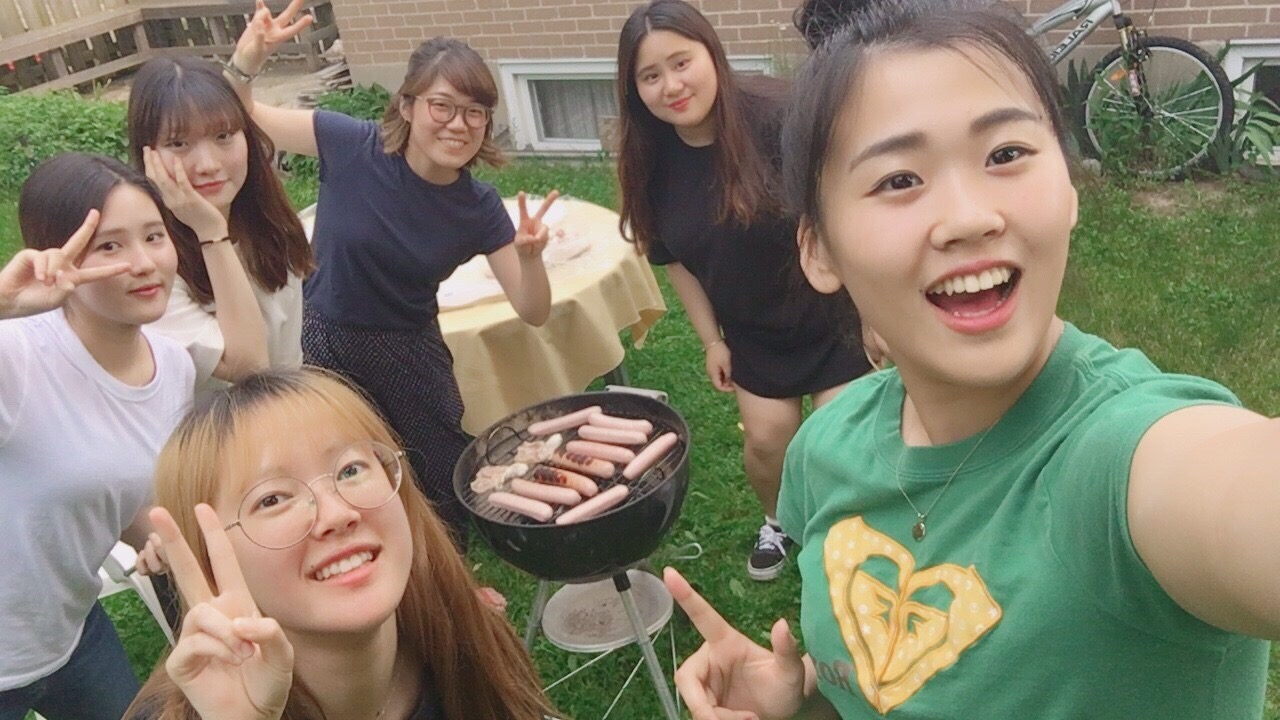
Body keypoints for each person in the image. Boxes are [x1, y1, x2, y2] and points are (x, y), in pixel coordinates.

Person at [663, 1, 1278, 717]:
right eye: (899, 179)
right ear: (819, 250)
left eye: (1006, 154)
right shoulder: (822, 452)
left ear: (1068, 190)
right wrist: (803, 703)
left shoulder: (1125, 464)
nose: (968, 218)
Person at [223, 0, 557, 549]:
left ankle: (449, 568)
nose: (458, 124)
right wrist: (247, 60)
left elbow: (533, 310)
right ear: (407, 104)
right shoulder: (350, 145)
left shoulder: (478, 207)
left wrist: (530, 257)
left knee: (437, 469)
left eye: (475, 112)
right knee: (336, 462)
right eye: (442, 105)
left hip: (406, 347)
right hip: (320, 336)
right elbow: (237, 117)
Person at [123, 368, 559, 720]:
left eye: (350, 470)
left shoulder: (464, 636)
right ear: (211, 559)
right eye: (273, 499)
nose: (336, 514)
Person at [615, 0, 871, 582]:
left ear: (712, 53)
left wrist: (874, 311)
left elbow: (849, 209)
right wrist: (713, 340)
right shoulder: (649, 161)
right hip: (754, 332)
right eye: (650, 76)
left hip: (835, 316)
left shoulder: (781, 117)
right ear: (635, 90)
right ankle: (778, 521)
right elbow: (674, 260)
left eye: (681, 62)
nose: (671, 86)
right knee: (766, 441)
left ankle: (845, 528)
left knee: (837, 440)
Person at [0, 153, 194, 720]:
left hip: (70, 631)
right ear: (54, 256)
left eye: (154, 236)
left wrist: (159, 538)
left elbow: (128, 496)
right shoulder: (17, 356)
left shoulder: (173, 365)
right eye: (110, 246)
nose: (144, 263)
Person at [128, 56, 316, 399]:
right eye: (178, 143)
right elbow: (249, 370)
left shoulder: (272, 228)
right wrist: (211, 232)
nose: (208, 164)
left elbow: (288, 369)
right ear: (147, 154)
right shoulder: (148, 263)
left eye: (223, 136)